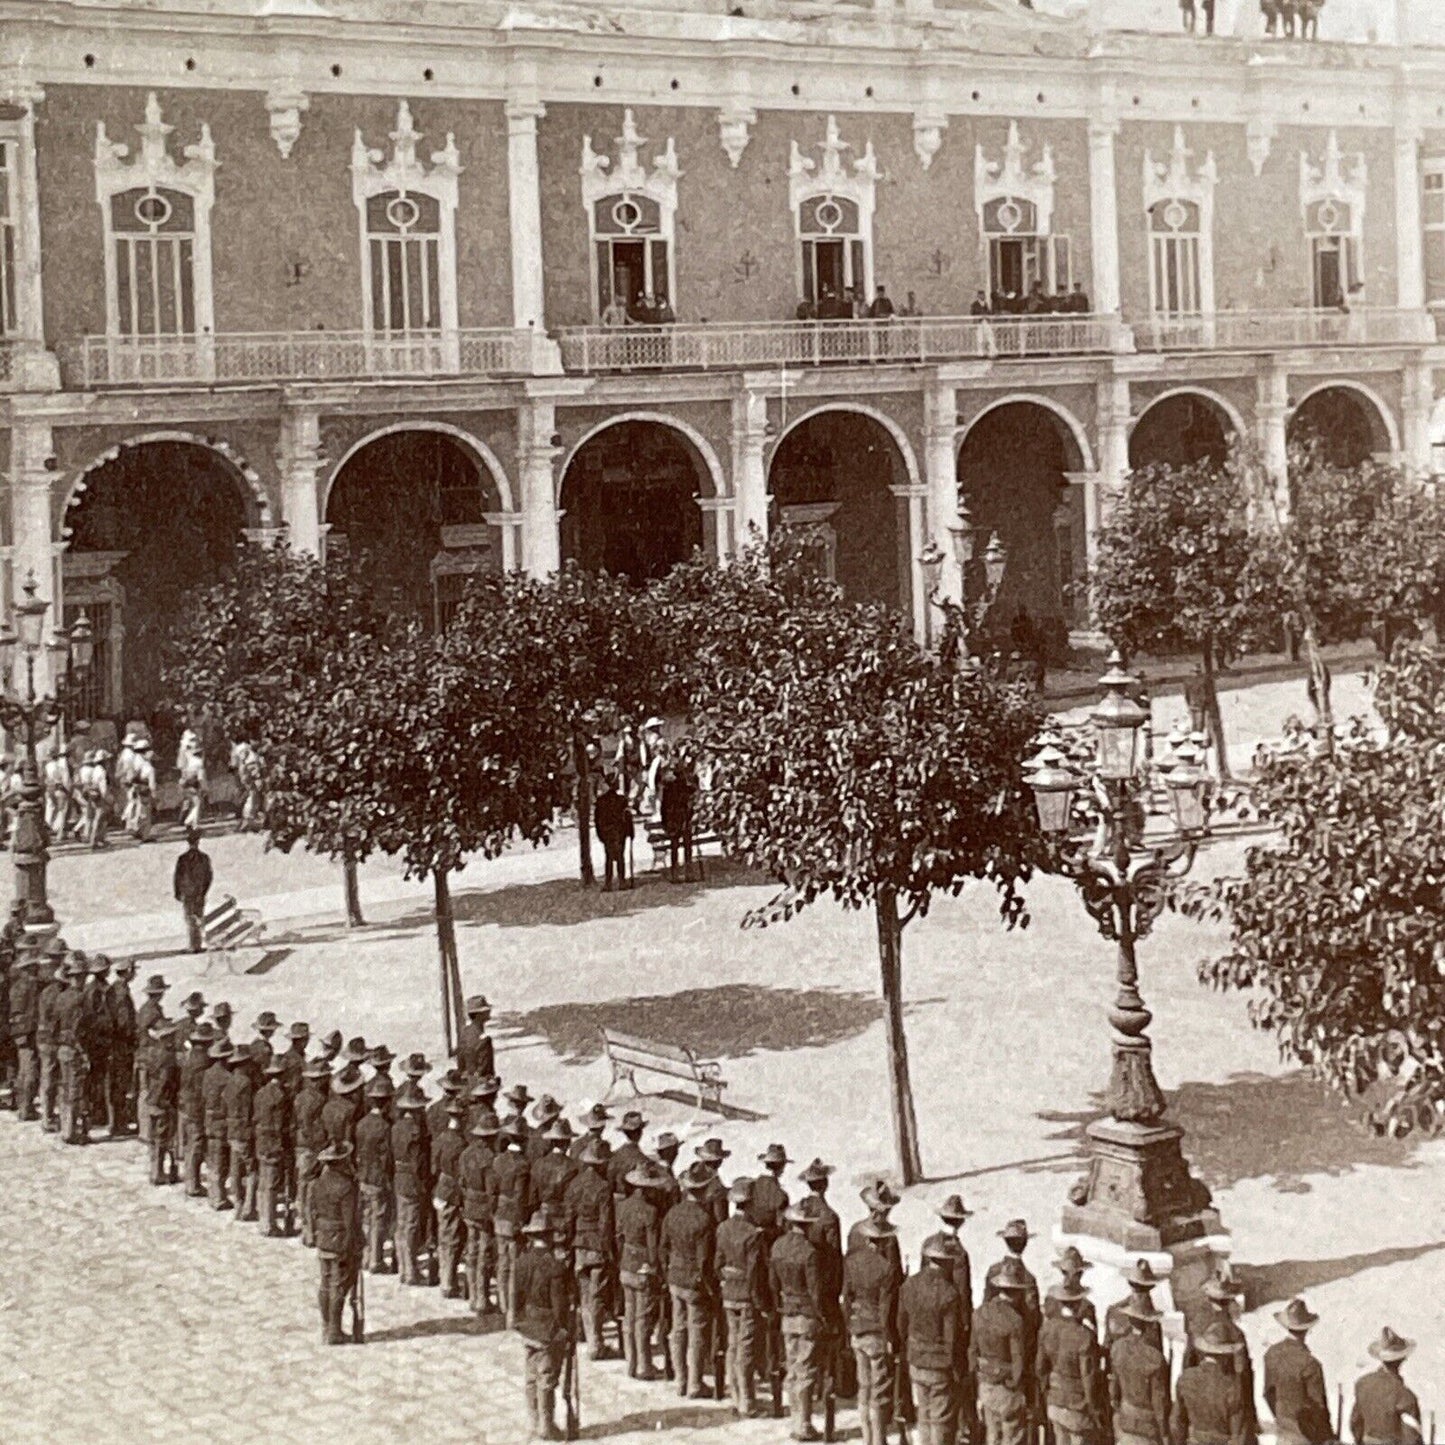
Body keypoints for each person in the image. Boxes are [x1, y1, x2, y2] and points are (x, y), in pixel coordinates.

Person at [514, 1209, 575, 1442]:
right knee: (547, 1378)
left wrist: (519, 1321)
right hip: (547, 1328)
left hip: (527, 1325)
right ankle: (546, 1426)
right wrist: (562, 1329)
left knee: (531, 1376)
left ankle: (534, 1420)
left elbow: (516, 1296)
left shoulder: (521, 1261)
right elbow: (559, 1305)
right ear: (550, 1236)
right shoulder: (555, 1267)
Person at [663, 1160, 719, 1399]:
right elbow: (705, 1260)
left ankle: (680, 1380)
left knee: (678, 1329)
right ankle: (695, 1383)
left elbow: (663, 1246)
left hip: (675, 1277)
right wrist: (710, 1286)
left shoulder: (673, 1212)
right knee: (697, 1332)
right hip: (694, 1283)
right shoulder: (705, 1220)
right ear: (705, 1190)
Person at [845, 1214, 902, 1445]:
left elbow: (847, 1298)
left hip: (857, 1328)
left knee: (864, 1386)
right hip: (877, 1333)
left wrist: (850, 1324)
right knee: (879, 1391)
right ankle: (879, 1440)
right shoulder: (886, 1268)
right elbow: (886, 1308)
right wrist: (890, 1336)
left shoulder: (851, 1260)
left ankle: (867, 1437)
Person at [772, 1201, 826, 1442]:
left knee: (793, 1367)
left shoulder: (778, 1246)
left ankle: (796, 1417)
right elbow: (815, 1291)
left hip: (787, 1312)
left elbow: (773, 1283)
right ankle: (802, 1423)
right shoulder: (810, 1252)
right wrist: (822, 1316)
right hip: (806, 1315)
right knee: (805, 1369)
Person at [716, 1175, 767, 1419]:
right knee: (745, 1348)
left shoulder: (723, 1228)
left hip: (728, 1293)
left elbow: (717, 1264)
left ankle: (735, 1394)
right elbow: (755, 1272)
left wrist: (726, 1278)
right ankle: (747, 1400)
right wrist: (760, 1302)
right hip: (746, 1295)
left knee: (732, 1344)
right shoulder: (753, 1233)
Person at [565, 1135, 617, 1360]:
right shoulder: (604, 1187)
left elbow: (569, 1216)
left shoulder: (575, 1184)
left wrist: (569, 1240)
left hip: (579, 1244)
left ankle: (584, 1334)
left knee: (583, 1292)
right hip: (597, 1246)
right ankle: (596, 1344)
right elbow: (605, 1223)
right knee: (596, 1295)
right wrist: (608, 1249)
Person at [972, 1255, 1032, 1445]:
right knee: (1012, 1437)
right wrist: (1016, 1388)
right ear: (1016, 1292)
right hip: (1006, 1388)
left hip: (985, 1384)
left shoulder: (980, 1312)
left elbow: (972, 1350)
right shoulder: (1015, 1320)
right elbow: (1018, 1362)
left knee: (992, 1434)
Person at [618, 1159, 668, 1380]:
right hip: (642, 1269)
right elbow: (652, 1245)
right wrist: (656, 1268)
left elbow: (618, 1236)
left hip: (626, 1265)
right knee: (643, 1320)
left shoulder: (623, 1206)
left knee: (629, 1316)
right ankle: (644, 1365)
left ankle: (631, 1361)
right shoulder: (651, 1212)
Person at [1037, 1276, 1101, 1445]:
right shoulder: (1084, 1335)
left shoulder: (1047, 1328)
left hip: (1055, 1400)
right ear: (1078, 1303)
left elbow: (1040, 1367)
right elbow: (1088, 1376)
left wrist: (1046, 1393)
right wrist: (1093, 1406)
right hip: (1076, 1405)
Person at [313, 1138, 363, 1345]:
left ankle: (327, 1326)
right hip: (340, 1238)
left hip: (323, 1236)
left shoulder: (319, 1182)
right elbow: (350, 1221)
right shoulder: (346, 1186)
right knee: (339, 1284)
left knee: (326, 1283)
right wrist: (355, 1244)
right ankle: (334, 1331)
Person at [1263, 1298, 1330, 1445]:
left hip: (1283, 1433)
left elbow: (1268, 1394)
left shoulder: (1272, 1354)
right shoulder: (1310, 1364)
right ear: (1307, 1328)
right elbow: (1318, 1408)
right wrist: (1327, 1437)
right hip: (1305, 1436)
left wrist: (1282, 1419)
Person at [491, 1115, 536, 1324]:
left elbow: (492, 1190)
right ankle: (512, 1311)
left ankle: (502, 1305)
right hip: (513, 1218)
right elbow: (520, 1197)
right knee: (515, 1266)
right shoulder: (523, 1165)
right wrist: (521, 1221)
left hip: (499, 1214)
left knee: (502, 1262)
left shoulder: (498, 1160)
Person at [1110, 1292, 1171, 1445]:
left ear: (1129, 1320)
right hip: (1147, 1427)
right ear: (1150, 1323)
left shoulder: (1118, 1348)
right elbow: (1160, 1402)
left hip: (1125, 1420)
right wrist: (1165, 1434)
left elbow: (1114, 1391)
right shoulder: (1155, 1358)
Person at [1173, 1322, 1249, 1445]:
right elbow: (1238, 1434)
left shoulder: (1186, 1377)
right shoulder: (1232, 1385)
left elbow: (1176, 1422)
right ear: (1225, 1356)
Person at [1350, 1327, 1422, 1445]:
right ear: (1403, 1359)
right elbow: (1412, 1439)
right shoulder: (1405, 1396)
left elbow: (1355, 1423)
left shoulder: (1362, 1384)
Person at [461, 1108, 500, 1314]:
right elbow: (492, 1190)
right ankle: (482, 1299)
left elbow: (462, 1181)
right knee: (484, 1254)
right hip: (483, 1210)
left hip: (469, 1205)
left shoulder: (466, 1153)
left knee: (472, 1251)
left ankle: (473, 1295)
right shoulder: (490, 1158)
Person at [391, 1082, 430, 1286]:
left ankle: (403, 1268)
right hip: (412, 1182)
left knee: (401, 1223)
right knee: (411, 1226)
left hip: (399, 1178)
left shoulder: (396, 1127)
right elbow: (418, 1163)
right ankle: (410, 1270)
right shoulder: (415, 1131)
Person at [432, 1093, 468, 1297]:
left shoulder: (441, 1139)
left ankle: (445, 1278)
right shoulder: (461, 1144)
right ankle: (448, 1282)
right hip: (453, 1190)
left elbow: (434, 1166)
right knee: (452, 1236)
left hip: (441, 1186)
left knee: (443, 1234)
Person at [253, 1052, 291, 1237]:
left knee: (263, 1181)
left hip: (261, 1141)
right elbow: (280, 1125)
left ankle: (263, 1218)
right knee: (271, 1184)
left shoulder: (260, 1092)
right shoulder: (280, 1096)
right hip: (273, 1143)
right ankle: (268, 1224)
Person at [295, 1057, 331, 1246]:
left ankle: (304, 1228)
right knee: (312, 1191)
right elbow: (313, 1128)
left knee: (302, 1188)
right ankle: (311, 1233)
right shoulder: (319, 1100)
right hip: (312, 1149)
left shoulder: (300, 1097)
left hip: (301, 1147)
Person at [178, 1021, 214, 1198]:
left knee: (190, 1143)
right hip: (196, 1108)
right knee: (196, 1144)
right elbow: (204, 1090)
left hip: (186, 1104)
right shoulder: (204, 1062)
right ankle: (193, 1183)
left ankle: (190, 1180)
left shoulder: (189, 1056)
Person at [224, 1038, 258, 1222]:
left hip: (231, 1130)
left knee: (235, 1169)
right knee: (251, 1169)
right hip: (244, 1132)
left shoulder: (231, 1081)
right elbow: (247, 1110)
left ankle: (237, 1203)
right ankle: (248, 1207)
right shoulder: (246, 1083)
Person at [143, 1018, 180, 1186]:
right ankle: (159, 1172)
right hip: (163, 1101)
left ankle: (154, 1169)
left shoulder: (152, 1052)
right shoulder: (169, 1057)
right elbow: (166, 1080)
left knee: (154, 1137)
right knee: (163, 1137)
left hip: (152, 1099)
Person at [107, 956, 138, 1136]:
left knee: (116, 1085)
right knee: (120, 1085)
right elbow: (124, 1021)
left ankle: (116, 1122)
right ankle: (118, 1124)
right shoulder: (121, 992)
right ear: (126, 972)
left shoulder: (114, 989)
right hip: (122, 1045)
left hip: (116, 1044)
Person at [174, 829, 213, 954]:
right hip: (199, 892)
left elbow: (178, 877)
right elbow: (209, 876)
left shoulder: (183, 859)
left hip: (188, 893)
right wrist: (204, 891)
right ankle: (197, 944)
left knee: (190, 918)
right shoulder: (204, 858)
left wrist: (178, 891)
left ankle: (194, 945)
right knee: (198, 917)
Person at [659, 758, 697, 884]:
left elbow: (663, 806)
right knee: (685, 845)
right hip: (681, 817)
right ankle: (687, 871)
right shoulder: (683, 785)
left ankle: (677, 872)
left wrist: (664, 821)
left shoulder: (669, 786)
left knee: (676, 845)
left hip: (675, 818)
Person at [594, 772, 633, 892]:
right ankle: (621, 881)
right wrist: (630, 832)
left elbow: (597, 820)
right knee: (620, 856)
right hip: (619, 831)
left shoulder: (600, 801)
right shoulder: (621, 800)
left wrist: (600, 834)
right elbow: (627, 818)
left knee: (609, 857)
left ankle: (608, 882)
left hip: (607, 832)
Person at [456, 994, 495, 1083]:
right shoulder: (485, 1040)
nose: (489, 1012)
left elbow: (460, 1062)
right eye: (485, 1011)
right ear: (478, 1015)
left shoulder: (465, 1032)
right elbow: (486, 1070)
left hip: (466, 1081)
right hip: (481, 1086)